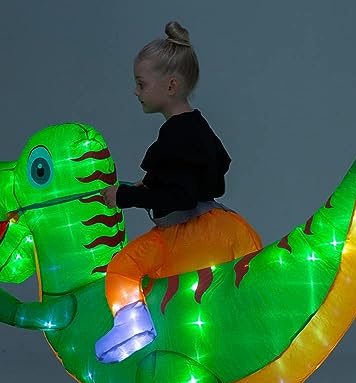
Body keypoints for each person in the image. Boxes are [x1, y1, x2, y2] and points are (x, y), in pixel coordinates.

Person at [96, 21, 262, 363]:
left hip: (187, 233)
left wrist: (125, 198)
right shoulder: (198, 126)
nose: (136, 92)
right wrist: (151, 186)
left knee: (123, 267)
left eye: (141, 84)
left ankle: (132, 327)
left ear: (170, 86)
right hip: (217, 222)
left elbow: (181, 197)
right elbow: (208, 177)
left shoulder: (175, 135)